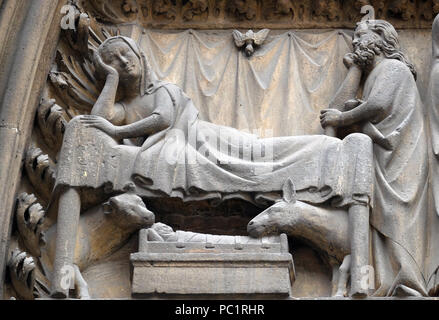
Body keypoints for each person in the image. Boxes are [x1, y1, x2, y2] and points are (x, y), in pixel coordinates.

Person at [50, 36, 374, 297]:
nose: (123, 62)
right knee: (265, 158)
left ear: (141, 56)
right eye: (115, 61)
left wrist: (117, 133)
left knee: (261, 154)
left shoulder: (163, 90)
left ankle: (325, 154)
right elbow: (99, 119)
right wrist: (109, 79)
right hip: (189, 151)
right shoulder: (126, 105)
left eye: (126, 54)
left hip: (207, 142)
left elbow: (161, 119)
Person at [320, 20, 430, 296]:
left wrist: (344, 117)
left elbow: (377, 105)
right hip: (382, 155)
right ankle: (387, 280)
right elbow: (333, 112)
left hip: (399, 158)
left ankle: (406, 279)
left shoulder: (393, 68)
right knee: (381, 218)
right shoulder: (374, 73)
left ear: (380, 37)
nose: (355, 42)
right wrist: (356, 68)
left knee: (396, 217)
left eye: (360, 36)